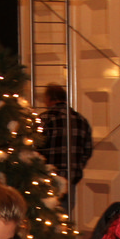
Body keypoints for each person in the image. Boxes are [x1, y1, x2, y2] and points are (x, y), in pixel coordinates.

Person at [36, 83, 93, 211]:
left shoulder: (44, 119)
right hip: (70, 177)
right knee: (64, 214)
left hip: (47, 178)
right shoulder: (81, 120)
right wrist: (75, 166)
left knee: (45, 214)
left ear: (49, 98)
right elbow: (87, 150)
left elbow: (35, 147)